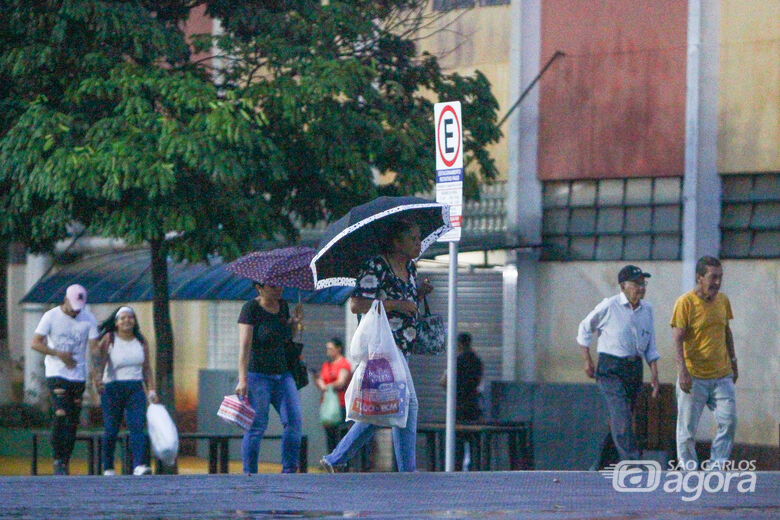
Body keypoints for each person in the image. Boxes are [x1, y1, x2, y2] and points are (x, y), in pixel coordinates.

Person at [319, 217, 433, 473]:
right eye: (413, 238)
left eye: (419, 238)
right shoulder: (377, 266)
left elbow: (405, 298)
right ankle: (408, 472)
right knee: (408, 403)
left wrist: (420, 294)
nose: (418, 243)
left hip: (402, 345)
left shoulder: (410, 268)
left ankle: (335, 459)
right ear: (396, 242)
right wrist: (396, 305)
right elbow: (357, 304)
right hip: (384, 345)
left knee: (383, 408)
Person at [577, 265, 660, 467]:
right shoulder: (609, 306)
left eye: (643, 283)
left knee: (620, 418)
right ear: (623, 286)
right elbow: (585, 328)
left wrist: (654, 375)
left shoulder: (647, 310)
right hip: (610, 368)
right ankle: (633, 464)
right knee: (621, 414)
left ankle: (602, 464)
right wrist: (587, 359)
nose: (641, 288)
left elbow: (650, 345)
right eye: (636, 283)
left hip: (633, 368)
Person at [671, 255, 737, 470]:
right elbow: (678, 338)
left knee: (728, 422)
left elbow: (727, 332)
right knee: (687, 430)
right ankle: (689, 469)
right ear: (700, 278)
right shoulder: (685, 303)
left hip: (722, 375)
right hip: (694, 376)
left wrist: (734, 362)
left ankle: (716, 467)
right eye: (713, 277)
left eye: (720, 277)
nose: (717, 283)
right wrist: (682, 371)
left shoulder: (723, 301)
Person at [235, 282, 304, 474]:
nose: (279, 289)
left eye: (280, 285)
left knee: (294, 422)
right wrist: (242, 379)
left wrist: (294, 324)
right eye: (273, 286)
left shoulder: (283, 305)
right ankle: (250, 475)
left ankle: (289, 472)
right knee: (257, 427)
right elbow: (244, 346)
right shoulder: (251, 309)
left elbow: (286, 337)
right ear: (259, 287)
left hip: (283, 374)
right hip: (258, 376)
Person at [30, 284, 99, 475]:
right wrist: (57, 354)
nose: (76, 312)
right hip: (56, 373)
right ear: (65, 300)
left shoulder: (89, 318)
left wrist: (97, 374)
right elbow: (35, 342)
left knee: (72, 420)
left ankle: (65, 460)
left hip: (77, 375)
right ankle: (57, 458)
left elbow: (94, 348)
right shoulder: (51, 316)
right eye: (73, 307)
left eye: (79, 308)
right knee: (60, 412)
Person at [91, 306, 160, 476]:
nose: (126, 321)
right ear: (116, 322)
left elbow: (146, 368)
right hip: (113, 388)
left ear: (135, 321)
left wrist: (151, 389)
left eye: (130, 317)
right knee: (111, 428)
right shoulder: (109, 339)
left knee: (137, 426)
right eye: (122, 318)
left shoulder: (141, 341)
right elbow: (98, 363)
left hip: (135, 388)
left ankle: (140, 464)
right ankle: (108, 466)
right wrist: (98, 380)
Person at [439, 332, 484, 471]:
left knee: (456, 443)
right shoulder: (477, 361)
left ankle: (455, 469)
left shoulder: (456, 361)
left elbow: (444, 382)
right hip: (473, 406)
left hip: (457, 408)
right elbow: (479, 383)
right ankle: (475, 469)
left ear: (458, 344)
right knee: (474, 442)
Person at [315, 337, 352, 452]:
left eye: (331, 349)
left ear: (338, 349)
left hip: (340, 404)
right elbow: (321, 379)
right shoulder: (326, 365)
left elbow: (341, 381)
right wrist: (321, 384)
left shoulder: (343, 364)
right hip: (327, 403)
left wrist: (328, 386)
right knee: (329, 435)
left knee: (340, 434)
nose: (328, 351)